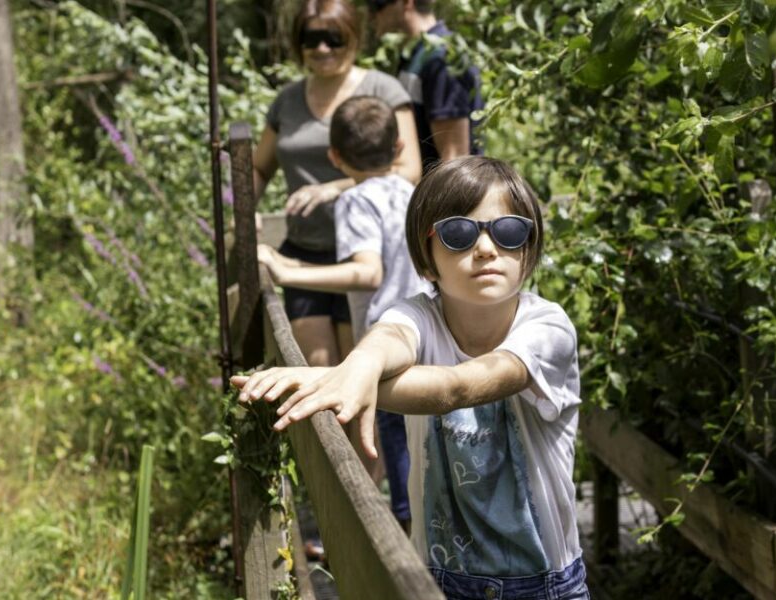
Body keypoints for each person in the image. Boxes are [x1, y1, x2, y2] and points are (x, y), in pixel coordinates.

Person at [235, 157, 588, 600]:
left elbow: (458, 387)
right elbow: (388, 340)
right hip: (437, 578)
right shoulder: (416, 314)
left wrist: (327, 378)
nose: (486, 248)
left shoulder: (548, 329)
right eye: (459, 233)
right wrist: (359, 367)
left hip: (544, 584)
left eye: (509, 231)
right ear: (427, 259)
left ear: (529, 248)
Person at [257, 95, 427, 529]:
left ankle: (403, 542)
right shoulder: (410, 191)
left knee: (395, 445)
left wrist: (288, 271)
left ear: (334, 157)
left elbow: (368, 272)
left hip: (386, 344)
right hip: (423, 332)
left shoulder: (355, 201)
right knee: (420, 448)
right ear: (399, 148)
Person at [254, 0, 424, 368]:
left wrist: (336, 188)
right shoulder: (287, 100)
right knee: (315, 368)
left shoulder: (383, 89)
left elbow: (409, 169)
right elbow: (258, 169)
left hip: (367, 252)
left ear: (353, 37)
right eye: (310, 38)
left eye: (333, 38)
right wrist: (244, 210)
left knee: (356, 369)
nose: (322, 48)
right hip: (306, 249)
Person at [368, 0, 485, 171]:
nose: (372, 15)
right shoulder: (418, 54)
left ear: (406, 3)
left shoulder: (442, 58)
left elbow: (454, 158)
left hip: (441, 186)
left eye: (378, 5)